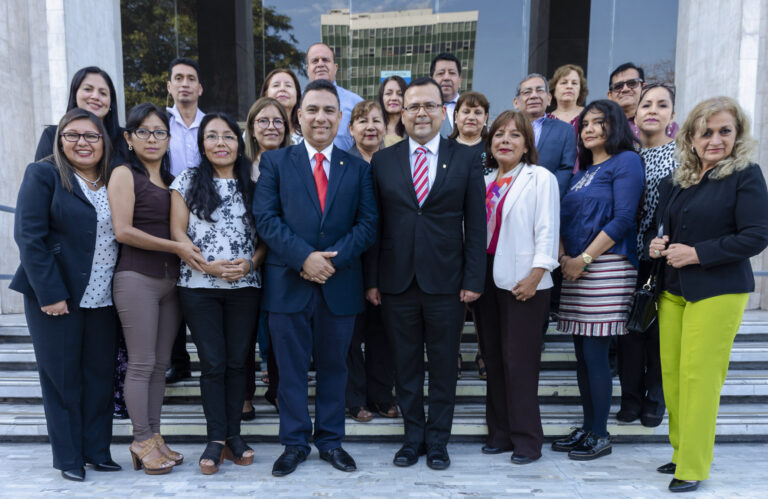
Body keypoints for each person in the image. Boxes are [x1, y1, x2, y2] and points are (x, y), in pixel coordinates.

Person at [253, 79, 377, 477]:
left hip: (339, 286)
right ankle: (293, 443)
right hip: (288, 284)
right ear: (298, 116)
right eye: (312, 110)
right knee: (287, 372)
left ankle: (330, 441)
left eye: (328, 110)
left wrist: (329, 262)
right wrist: (304, 258)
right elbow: (266, 220)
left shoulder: (356, 168)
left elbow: (368, 223)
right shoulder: (275, 162)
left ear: (340, 118)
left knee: (334, 369)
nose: (320, 117)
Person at [648, 96, 768, 493]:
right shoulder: (677, 180)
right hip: (672, 291)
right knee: (673, 378)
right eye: (707, 132)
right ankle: (682, 451)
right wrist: (656, 244)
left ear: (737, 135)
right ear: (691, 137)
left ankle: (694, 466)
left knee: (700, 378)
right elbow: (662, 227)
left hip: (718, 290)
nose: (715, 139)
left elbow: (756, 236)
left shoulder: (746, 174)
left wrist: (698, 253)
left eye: (725, 131)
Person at [365, 77, 486, 470]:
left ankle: (438, 441)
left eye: (429, 106)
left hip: (448, 284)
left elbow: (476, 225)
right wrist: (372, 280)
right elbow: (376, 225)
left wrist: (473, 279)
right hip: (396, 282)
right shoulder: (384, 160)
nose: (420, 112)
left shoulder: (466, 158)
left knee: (444, 365)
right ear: (401, 112)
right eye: (413, 106)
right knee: (407, 366)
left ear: (443, 111)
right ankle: (412, 438)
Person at [11, 108, 121, 481]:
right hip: (58, 296)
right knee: (62, 379)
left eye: (91, 136)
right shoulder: (44, 174)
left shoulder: (112, 180)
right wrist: (50, 293)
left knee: (99, 377)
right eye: (72, 135)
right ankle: (70, 458)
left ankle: (97, 451)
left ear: (103, 141)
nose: (82, 143)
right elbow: (30, 237)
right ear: (59, 140)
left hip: (104, 297)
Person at [109, 103, 205, 475]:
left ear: (169, 139)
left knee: (161, 364)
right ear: (129, 138)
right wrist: (176, 247)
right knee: (142, 363)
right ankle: (140, 438)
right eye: (144, 132)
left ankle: (155, 437)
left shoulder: (171, 177)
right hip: (137, 279)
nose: (152, 138)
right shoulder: (123, 173)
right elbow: (124, 231)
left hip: (171, 283)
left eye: (159, 132)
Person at [170, 113, 264, 475]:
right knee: (212, 363)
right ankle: (216, 438)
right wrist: (205, 266)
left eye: (228, 136)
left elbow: (264, 239)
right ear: (202, 144)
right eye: (212, 137)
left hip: (244, 287)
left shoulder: (251, 181)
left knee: (239, 361)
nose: (221, 143)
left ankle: (234, 436)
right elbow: (177, 233)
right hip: (199, 287)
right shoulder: (188, 180)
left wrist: (251, 264)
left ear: (239, 143)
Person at [553, 99, 644, 461]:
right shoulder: (581, 173)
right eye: (585, 124)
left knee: (594, 353)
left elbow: (623, 218)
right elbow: (563, 220)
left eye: (598, 122)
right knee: (581, 354)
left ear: (616, 125)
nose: (589, 129)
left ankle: (600, 434)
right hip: (574, 267)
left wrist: (585, 258)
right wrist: (565, 259)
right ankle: (589, 427)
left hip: (606, 266)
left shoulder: (626, 162)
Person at [473, 110, 560, 464]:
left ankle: (527, 441)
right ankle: (500, 434)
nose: (505, 140)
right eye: (498, 135)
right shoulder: (484, 180)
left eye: (514, 135)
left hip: (525, 278)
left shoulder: (540, 178)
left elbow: (548, 229)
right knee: (492, 357)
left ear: (527, 145)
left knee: (519, 361)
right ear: (490, 143)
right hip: (486, 277)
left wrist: (538, 273)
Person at [617, 84, 678, 428]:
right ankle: (629, 398)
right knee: (630, 331)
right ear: (636, 115)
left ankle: (655, 399)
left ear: (671, 114)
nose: (653, 110)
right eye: (646, 105)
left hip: (665, 259)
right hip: (630, 256)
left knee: (658, 332)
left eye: (662, 104)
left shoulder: (683, 156)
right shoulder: (629, 159)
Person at [344, 100, 397, 422]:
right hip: (350, 261)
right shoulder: (342, 163)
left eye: (376, 120)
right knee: (350, 336)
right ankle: (354, 399)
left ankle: (381, 395)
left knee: (382, 334)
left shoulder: (392, 163)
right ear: (350, 129)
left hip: (388, 262)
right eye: (362, 121)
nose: (370, 126)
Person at [242, 96, 291, 418]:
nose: (271, 126)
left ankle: (276, 388)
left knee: (277, 329)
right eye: (263, 120)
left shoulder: (294, 163)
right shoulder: (239, 165)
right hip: (242, 262)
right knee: (244, 330)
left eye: (277, 121)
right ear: (252, 127)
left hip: (282, 258)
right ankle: (244, 394)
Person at [165, 56, 205, 386]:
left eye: (190, 78)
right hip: (168, 211)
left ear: (200, 87)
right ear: (169, 86)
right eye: (178, 78)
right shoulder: (160, 125)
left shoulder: (210, 125)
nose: (185, 83)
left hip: (206, 215)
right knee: (173, 286)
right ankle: (178, 361)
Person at [448, 90, 490, 378]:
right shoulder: (444, 149)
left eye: (478, 112)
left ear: (486, 118)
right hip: (450, 238)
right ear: (455, 116)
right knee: (453, 303)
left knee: (483, 302)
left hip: (486, 234)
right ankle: (454, 353)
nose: (471, 117)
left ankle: (484, 353)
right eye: (466, 111)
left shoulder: (495, 149)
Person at [34, 66, 128, 166]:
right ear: (75, 95)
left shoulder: (127, 139)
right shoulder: (52, 136)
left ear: (110, 102)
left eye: (103, 93)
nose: (95, 96)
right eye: (88, 89)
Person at [513, 73, 576, 197]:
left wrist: (545, 195)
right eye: (527, 92)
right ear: (516, 102)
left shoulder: (566, 131)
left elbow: (566, 169)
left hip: (547, 200)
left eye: (539, 90)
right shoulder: (506, 130)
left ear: (549, 99)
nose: (534, 95)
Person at [305, 43, 363, 151]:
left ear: (335, 67)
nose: (320, 64)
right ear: (308, 69)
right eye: (315, 61)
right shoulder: (298, 101)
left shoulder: (355, 102)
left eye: (325, 60)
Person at [607, 62, 678, 139]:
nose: (625, 89)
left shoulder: (667, 126)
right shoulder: (602, 127)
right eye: (618, 86)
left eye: (632, 83)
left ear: (644, 88)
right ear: (610, 95)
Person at [260, 68, 303, 144]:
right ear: (265, 94)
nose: (282, 89)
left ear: (297, 95)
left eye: (288, 85)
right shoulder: (253, 133)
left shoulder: (307, 135)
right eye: (276, 85)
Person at [429, 53, 462, 137]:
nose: (446, 78)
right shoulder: (421, 110)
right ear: (431, 80)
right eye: (441, 73)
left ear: (460, 80)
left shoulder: (471, 109)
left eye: (452, 73)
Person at [549, 64, 588, 128]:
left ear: (580, 90)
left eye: (574, 83)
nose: (569, 86)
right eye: (564, 83)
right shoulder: (544, 121)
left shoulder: (590, 115)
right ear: (554, 90)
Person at [378, 75, 407, 147]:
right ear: (382, 97)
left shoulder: (412, 127)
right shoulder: (374, 127)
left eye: (400, 94)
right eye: (388, 93)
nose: (394, 98)